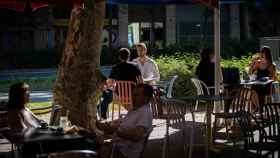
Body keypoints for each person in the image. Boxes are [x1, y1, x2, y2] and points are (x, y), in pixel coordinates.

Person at [97, 83, 153, 158]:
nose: (132, 97)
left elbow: (136, 136)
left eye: (136, 95)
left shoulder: (144, 113)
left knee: (92, 148)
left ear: (145, 99)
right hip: (118, 146)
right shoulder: (136, 109)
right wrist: (108, 126)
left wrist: (115, 131)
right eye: (133, 94)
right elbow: (123, 124)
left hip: (125, 153)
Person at [98, 48, 143, 120]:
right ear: (129, 56)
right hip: (133, 95)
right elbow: (141, 82)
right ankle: (133, 114)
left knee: (109, 93)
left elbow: (109, 83)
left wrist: (113, 85)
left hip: (119, 96)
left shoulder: (115, 67)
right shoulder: (135, 66)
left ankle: (130, 114)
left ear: (119, 57)